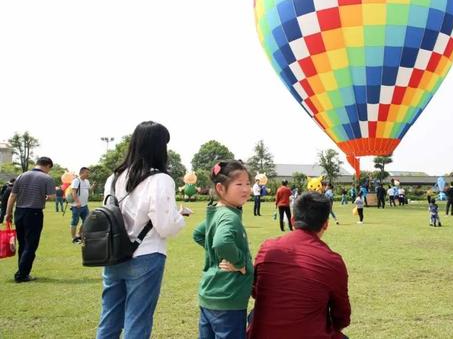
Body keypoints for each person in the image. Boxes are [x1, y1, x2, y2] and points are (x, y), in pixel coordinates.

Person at [96, 121, 188, 339]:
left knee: (109, 319)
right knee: (137, 321)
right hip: (146, 254)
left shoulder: (114, 177)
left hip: (114, 254)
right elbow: (165, 226)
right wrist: (180, 218)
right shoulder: (160, 179)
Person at [247, 192, 351, 339]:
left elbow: (256, 292)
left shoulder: (268, 247)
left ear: (293, 220)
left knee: (253, 314)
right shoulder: (332, 261)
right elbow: (342, 317)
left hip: (260, 333)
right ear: (326, 224)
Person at [193, 160, 254, 339]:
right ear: (220, 188)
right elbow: (221, 242)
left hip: (210, 295)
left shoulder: (218, 212)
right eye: (239, 184)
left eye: (248, 183)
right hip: (228, 298)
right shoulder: (229, 216)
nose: (246, 189)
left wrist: (216, 256)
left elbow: (198, 233)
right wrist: (240, 262)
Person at [5, 158, 55, 283]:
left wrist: (8, 213)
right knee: (31, 245)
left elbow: (12, 195)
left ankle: (22, 271)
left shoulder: (22, 175)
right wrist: (43, 195)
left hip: (19, 212)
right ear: (48, 166)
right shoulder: (47, 178)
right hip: (34, 213)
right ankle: (22, 275)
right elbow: (52, 196)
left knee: (23, 243)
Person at [70, 167, 91, 244]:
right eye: (87, 173)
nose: (88, 174)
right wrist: (78, 202)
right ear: (82, 173)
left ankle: (79, 234)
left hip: (85, 205)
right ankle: (73, 238)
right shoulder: (76, 180)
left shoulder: (87, 181)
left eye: (88, 173)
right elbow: (73, 192)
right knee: (75, 221)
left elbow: (88, 189)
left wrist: (93, 186)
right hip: (76, 206)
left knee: (86, 221)